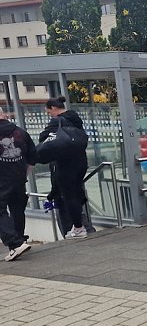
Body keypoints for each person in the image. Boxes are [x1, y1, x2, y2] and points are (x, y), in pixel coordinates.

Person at [39, 97, 88, 239]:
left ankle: (79, 228)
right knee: (77, 191)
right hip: (81, 161)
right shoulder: (75, 119)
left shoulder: (57, 121)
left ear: (54, 108)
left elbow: (43, 137)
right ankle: (79, 225)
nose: (50, 115)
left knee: (69, 195)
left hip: (66, 162)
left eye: (49, 112)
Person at [0, 108, 37, 261]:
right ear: (4, 115)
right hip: (18, 178)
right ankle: (19, 241)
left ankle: (15, 243)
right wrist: (24, 174)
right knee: (17, 209)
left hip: (1, 179)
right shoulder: (21, 132)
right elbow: (33, 156)